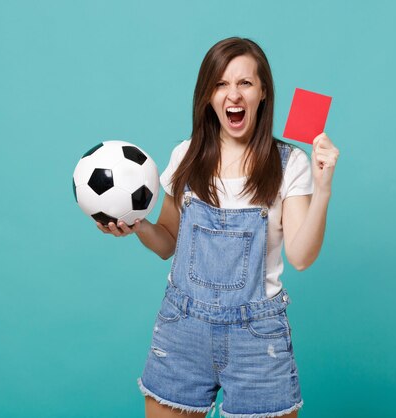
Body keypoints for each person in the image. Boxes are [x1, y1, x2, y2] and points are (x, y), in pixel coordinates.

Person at [97, 37, 339, 418]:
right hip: (182, 330)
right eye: (221, 84)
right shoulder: (186, 155)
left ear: (263, 93)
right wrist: (137, 225)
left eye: (245, 83)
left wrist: (323, 189)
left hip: (258, 339)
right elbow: (167, 244)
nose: (233, 95)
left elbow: (302, 257)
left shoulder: (290, 163)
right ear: (207, 96)